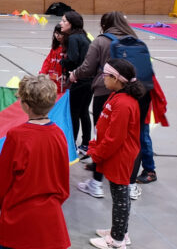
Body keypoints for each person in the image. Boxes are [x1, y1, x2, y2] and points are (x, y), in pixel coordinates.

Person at [0, 75, 71, 249]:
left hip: (18, 219)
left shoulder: (17, 136)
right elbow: (63, 179)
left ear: (26, 106)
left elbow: (3, 177)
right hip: (51, 221)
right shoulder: (59, 135)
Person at [70, 11, 137, 199]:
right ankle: (127, 183)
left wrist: (74, 74)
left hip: (104, 93)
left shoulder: (100, 41)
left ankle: (96, 182)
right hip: (131, 92)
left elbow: (88, 68)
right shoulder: (133, 38)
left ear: (104, 24)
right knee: (126, 137)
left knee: (103, 135)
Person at [85, 59, 144, 249]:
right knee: (119, 195)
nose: (103, 78)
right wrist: (94, 145)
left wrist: (97, 154)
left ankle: (117, 240)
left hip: (120, 156)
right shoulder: (117, 95)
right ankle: (119, 231)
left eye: (106, 75)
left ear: (116, 79)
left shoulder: (124, 104)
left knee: (120, 198)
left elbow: (114, 138)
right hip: (114, 154)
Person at [58, 11, 92, 155]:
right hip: (89, 80)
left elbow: (73, 59)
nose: (61, 23)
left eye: (64, 21)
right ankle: (86, 143)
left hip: (79, 80)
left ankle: (72, 144)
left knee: (74, 113)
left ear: (70, 24)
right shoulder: (84, 37)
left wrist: (62, 61)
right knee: (84, 112)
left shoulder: (73, 38)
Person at [39, 24, 65, 90]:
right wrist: (43, 72)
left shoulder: (67, 49)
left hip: (62, 80)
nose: (58, 36)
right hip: (52, 79)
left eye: (61, 33)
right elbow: (47, 61)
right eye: (56, 33)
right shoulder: (54, 48)